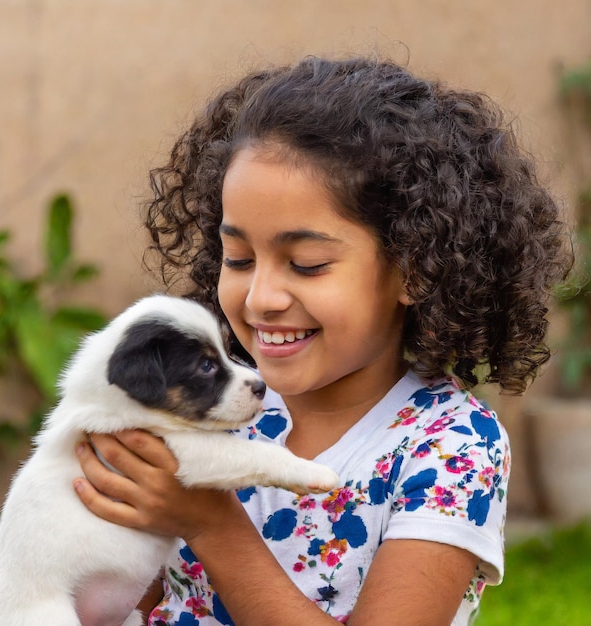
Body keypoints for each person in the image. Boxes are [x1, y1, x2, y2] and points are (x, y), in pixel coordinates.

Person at [73, 55, 572, 625]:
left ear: (417, 269)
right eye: (238, 257)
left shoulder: (453, 448)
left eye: (306, 264)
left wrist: (209, 521)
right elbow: (121, 593)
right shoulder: (210, 405)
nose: (260, 297)